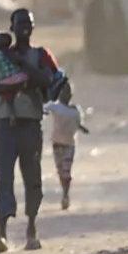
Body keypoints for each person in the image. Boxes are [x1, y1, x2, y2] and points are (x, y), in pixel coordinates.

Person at [0, 9, 60, 254]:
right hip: (5, 123)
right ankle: (2, 232)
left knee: (32, 177)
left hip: (30, 121)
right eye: (20, 23)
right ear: (12, 26)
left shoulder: (40, 54)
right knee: (5, 177)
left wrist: (20, 64)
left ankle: (32, 228)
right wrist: (25, 82)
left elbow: (48, 80)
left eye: (28, 23)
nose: (24, 27)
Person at [45, 80, 88, 210]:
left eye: (68, 92)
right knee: (60, 171)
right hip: (57, 144)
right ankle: (65, 193)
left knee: (66, 171)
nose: (66, 94)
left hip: (69, 144)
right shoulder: (55, 106)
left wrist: (83, 128)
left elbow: (78, 124)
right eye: (64, 92)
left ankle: (65, 195)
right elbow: (43, 110)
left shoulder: (76, 110)